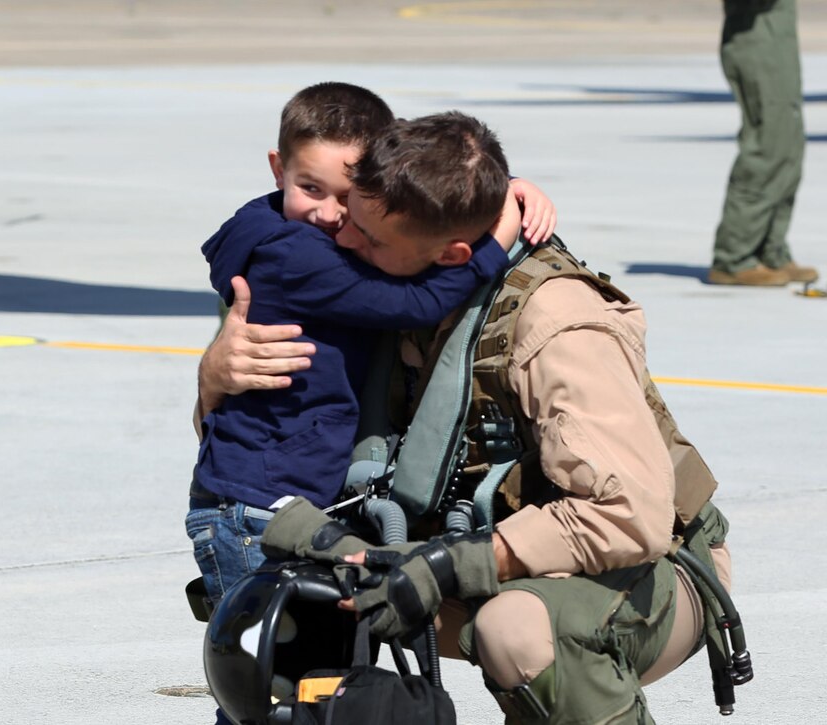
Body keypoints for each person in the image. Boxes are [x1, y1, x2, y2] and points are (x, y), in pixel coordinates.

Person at [200, 112, 736, 723]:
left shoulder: (556, 324)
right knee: (291, 601)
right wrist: (216, 377)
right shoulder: (379, 272)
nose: (343, 240)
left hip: (642, 570)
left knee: (518, 630)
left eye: (370, 238)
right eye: (350, 215)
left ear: (454, 254)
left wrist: (453, 564)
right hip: (451, 546)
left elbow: (630, 518)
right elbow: (257, 443)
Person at [188, 83, 557, 607]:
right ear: (278, 169)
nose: (331, 215)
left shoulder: (267, 223)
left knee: (316, 672)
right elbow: (420, 302)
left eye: (347, 197)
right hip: (261, 507)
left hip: (279, 497)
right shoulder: (297, 256)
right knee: (269, 674)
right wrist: (498, 231)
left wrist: (490, 186)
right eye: (311, 189)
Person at [708, 0, 818, 286]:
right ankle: (733, 258)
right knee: (767, 146)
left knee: (789, 145)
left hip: (777, 40)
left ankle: (771, 250)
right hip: (756, 41)